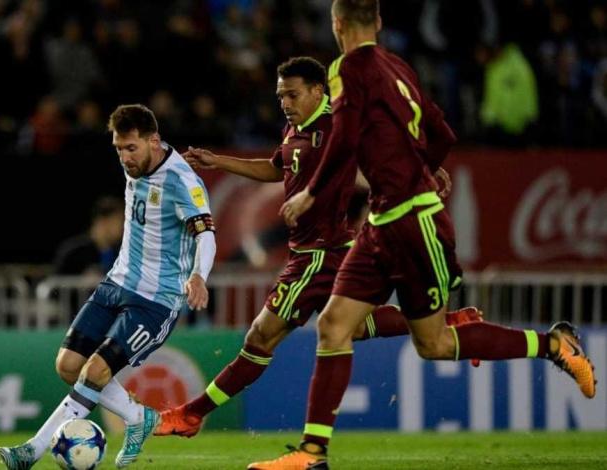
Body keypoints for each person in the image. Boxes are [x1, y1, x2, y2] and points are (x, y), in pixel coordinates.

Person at [252, 2, 597, 469]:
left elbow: (345, 137)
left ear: (336, 24)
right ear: (378, 21)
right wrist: (424, 169)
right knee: (333, 326)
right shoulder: (398, 67)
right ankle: (312, 454)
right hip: (382, 222)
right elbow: (443, 134)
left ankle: (554, 345)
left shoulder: (347, 68)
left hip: (413, 223)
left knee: (434, 344)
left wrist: (311, 193)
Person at [154, 57, 481, 439]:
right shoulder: (296, 126)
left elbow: (382, 146)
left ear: (317, 90)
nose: (284, 103)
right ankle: (452, 322)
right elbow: (278, 168)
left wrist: (422, 168)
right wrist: (219, 161)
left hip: (319, 255)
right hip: (320, 251)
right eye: (280, 96)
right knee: (354, 328)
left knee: (261, 337)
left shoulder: (337, 123)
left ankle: (192, 414)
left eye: (292, 95)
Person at [0, 104, 217, 469]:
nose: (125, 157)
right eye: (118, 148)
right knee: (68, 365)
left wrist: (198, 275)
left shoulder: (183, 181)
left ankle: (32, 451)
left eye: (131, 148)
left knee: (96, 372)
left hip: (155, 300)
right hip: (116, 283)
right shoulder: (137, 165)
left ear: (154, 141)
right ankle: (139, 417)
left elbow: (205, 234)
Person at [52, 196, 125, 277]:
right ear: (104, 221)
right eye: (119, 221)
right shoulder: (74, 252)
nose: (123, 227)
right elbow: (57, 281)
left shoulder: (121, 253)